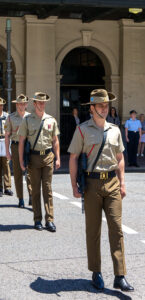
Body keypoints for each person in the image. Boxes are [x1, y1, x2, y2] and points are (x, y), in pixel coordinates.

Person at [69, 89, 134, 292]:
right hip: (91, 184)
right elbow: (73, 158)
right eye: (101, 106)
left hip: (112, 183)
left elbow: (120, 158)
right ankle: (96, 272)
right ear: (92, 108)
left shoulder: (115, 130)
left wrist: (122, 183)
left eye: (106, 106)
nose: (105, 109)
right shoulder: (82, 130)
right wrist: (74, 186)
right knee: (93, 230)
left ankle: (120, 275)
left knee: (116, 228)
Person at [18, 92, 61, 232]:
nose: (42, 104)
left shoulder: (51, 120)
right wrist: (20, 161)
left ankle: (50, 220)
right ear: (34, 104)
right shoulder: (27, 120)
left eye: (43, 102)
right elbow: (22, 141)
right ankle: (37, 219)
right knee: (36, 190)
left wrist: (58, 158)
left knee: (47, 189)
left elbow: (55, 141)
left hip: (48, 157)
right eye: (39, 102)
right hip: (33, 158)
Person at [5, 94, 32, 208]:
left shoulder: (31, 117)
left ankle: (31, 196)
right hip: (15, 147)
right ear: (16, 104)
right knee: (17, 173)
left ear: (26, 105)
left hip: (28, 146)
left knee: (30, 172)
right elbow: (7, 135)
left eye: (23, 103)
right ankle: (20, 198)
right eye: (19, 103)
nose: (21, 105)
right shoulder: (11, 117)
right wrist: (7, 152)